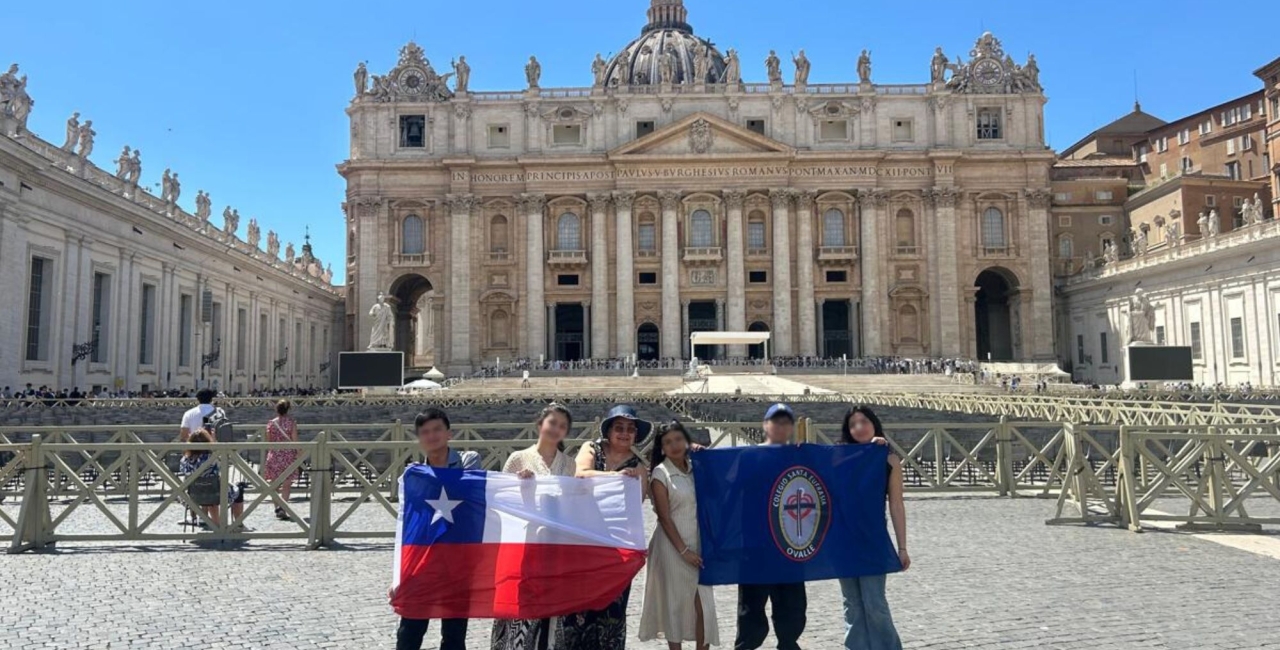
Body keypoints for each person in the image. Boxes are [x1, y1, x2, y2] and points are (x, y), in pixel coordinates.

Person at [561, 405, 651, 650]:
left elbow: (636, 505)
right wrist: (617, 477)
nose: (624, 433)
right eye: (619, 428)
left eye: (630, 429)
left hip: (615, 546)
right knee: (578, 608)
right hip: (584, 541)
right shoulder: (591, 449)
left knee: (612, 610)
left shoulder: (639, 466)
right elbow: (579, 475)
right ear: (609, 431)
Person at [491, 403, 578, 650]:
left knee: (553, 612)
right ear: (540, 425)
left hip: (556, 547)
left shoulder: (569, 464)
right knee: (522, 610)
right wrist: (519, 486)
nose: (556, 429)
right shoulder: (518, 459)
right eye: (553, 423)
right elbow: (501, 501)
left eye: (562, 426)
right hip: (524, 545)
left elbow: (572, 505)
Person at [392, 408, 479, 650]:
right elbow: (405, 527)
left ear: (449, 433)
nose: (432, 436)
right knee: (409, 632)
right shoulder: (413, 476)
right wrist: (397, 575)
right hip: (423, 561)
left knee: (454, 636)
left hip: (459, 559)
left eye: (437, 429)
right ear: (419, 439)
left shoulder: (469, 461)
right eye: (425, 432)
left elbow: (481, 490)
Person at [639, 421, 719, 649]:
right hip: (672, 548)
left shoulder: (697, 467)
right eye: (668, 442)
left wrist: (705, 455)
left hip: (699, 544)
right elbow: (664, 518)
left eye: (678, 439)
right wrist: (684, 551)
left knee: (704, 606)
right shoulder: (660, 473)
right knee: (675, 605)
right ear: (662, 447)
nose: (674, 445)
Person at [735, 403, 806, 650]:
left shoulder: (801, 456)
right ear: (765, 425)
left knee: (792, 608)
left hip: (790, 544)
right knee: (751, 609)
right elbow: (725, 490)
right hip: (756, 546)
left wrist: (873, 446)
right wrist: (698, 454)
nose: (781, 426)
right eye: (776, 420)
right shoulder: (747, 457)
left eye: (786, 421)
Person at [837, 406, 908, 650]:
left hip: (873, 539)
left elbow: (896, 505)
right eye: (853, 424)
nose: (859, 427)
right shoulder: (838, 457)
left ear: (874, 424)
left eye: (864, 421)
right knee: (852, 604)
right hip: (844, 540)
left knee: (874, 602)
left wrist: (902, 547)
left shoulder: (889, 459)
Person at [179, 428, 246, 530]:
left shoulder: (185, 460)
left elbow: (182, 471)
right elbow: (224, 465)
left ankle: (217, 525)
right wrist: (214, 443)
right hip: (214, 492)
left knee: (210, 494)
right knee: (238, 489)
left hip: (192, 495)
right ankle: (238, 524)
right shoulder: (212, 457)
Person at [262, 400, 299, 521]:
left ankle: (277, 507)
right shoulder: (291, 423)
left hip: (274, 454)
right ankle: (283, 508)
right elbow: (294, 441)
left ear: (276, 410)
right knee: (287, 484)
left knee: (274, 484)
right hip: (288, 455)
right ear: (288, 409)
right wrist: (299, 454)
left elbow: (269, 441)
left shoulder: (271, 423)